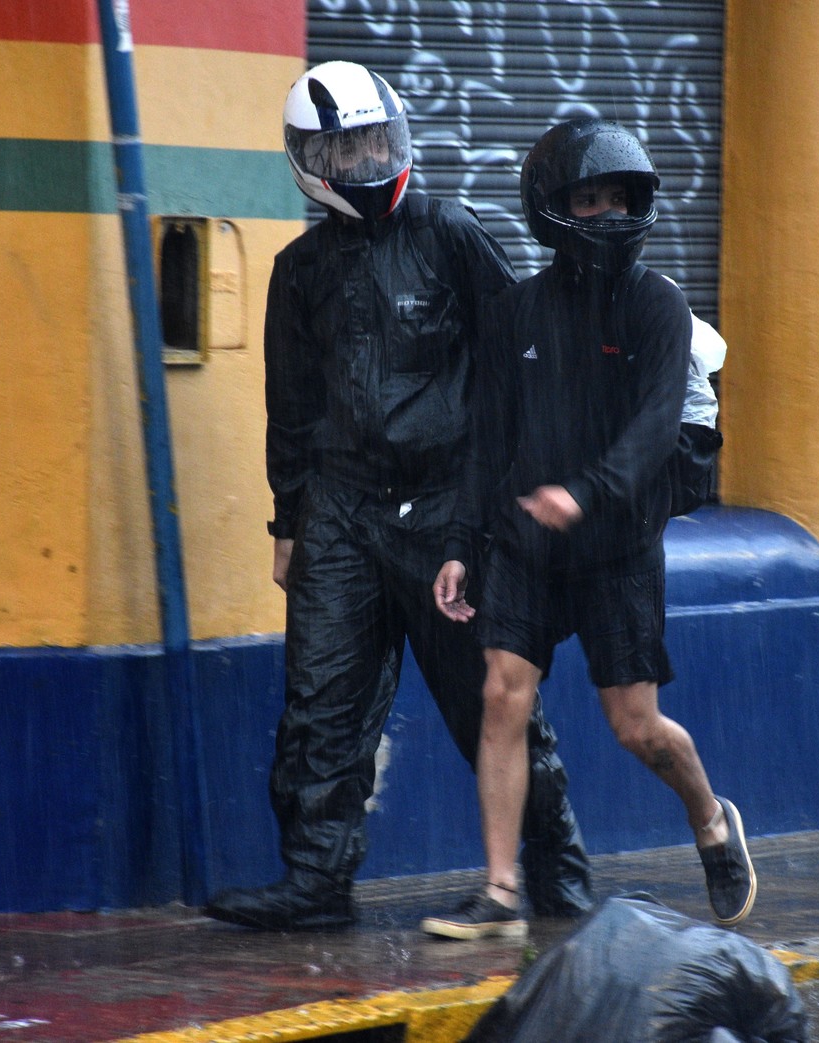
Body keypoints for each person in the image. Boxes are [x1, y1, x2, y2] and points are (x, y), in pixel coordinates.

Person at [200, 61, 593, 932]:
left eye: (376, 139)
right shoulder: (298, 270)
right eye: (345, 147)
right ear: (310, 161)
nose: (367, 159)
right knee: (320, 704)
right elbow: (290, 406)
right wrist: (287, 523)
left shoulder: (450, 232)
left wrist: (510, 499)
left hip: (449, 505)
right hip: (338, 509)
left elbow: (522, 360)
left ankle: (558, 871)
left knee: (485, 699)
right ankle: (313, 880)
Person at [420, 118, 757, 940]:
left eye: (619, 199)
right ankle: (500, 892)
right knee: (501, 693)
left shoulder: (656, 304)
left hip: (616, 547)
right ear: (550, 206)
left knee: (634, 725)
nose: (605, 213)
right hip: (527, 544)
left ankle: (712, 819)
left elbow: (652, 430)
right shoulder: (514, 315)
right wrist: (461, 542)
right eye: (587, 198)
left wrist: (588, 491)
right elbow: (486, 437)